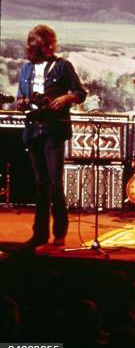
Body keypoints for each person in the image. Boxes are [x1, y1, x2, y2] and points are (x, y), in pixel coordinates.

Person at [15, 24, 87, 248]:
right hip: (33, 129)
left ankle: (60, 233)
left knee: (55, 183)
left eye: (52, 43)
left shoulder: (63, 66)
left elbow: (80, 93)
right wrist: (21, 103)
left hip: (54, 130)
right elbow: (19, 99)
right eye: (46, 45)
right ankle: (39, 234)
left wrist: (66, 98)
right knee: (41, 184)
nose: (51, 48)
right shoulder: (26, 69)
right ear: (35, 47)